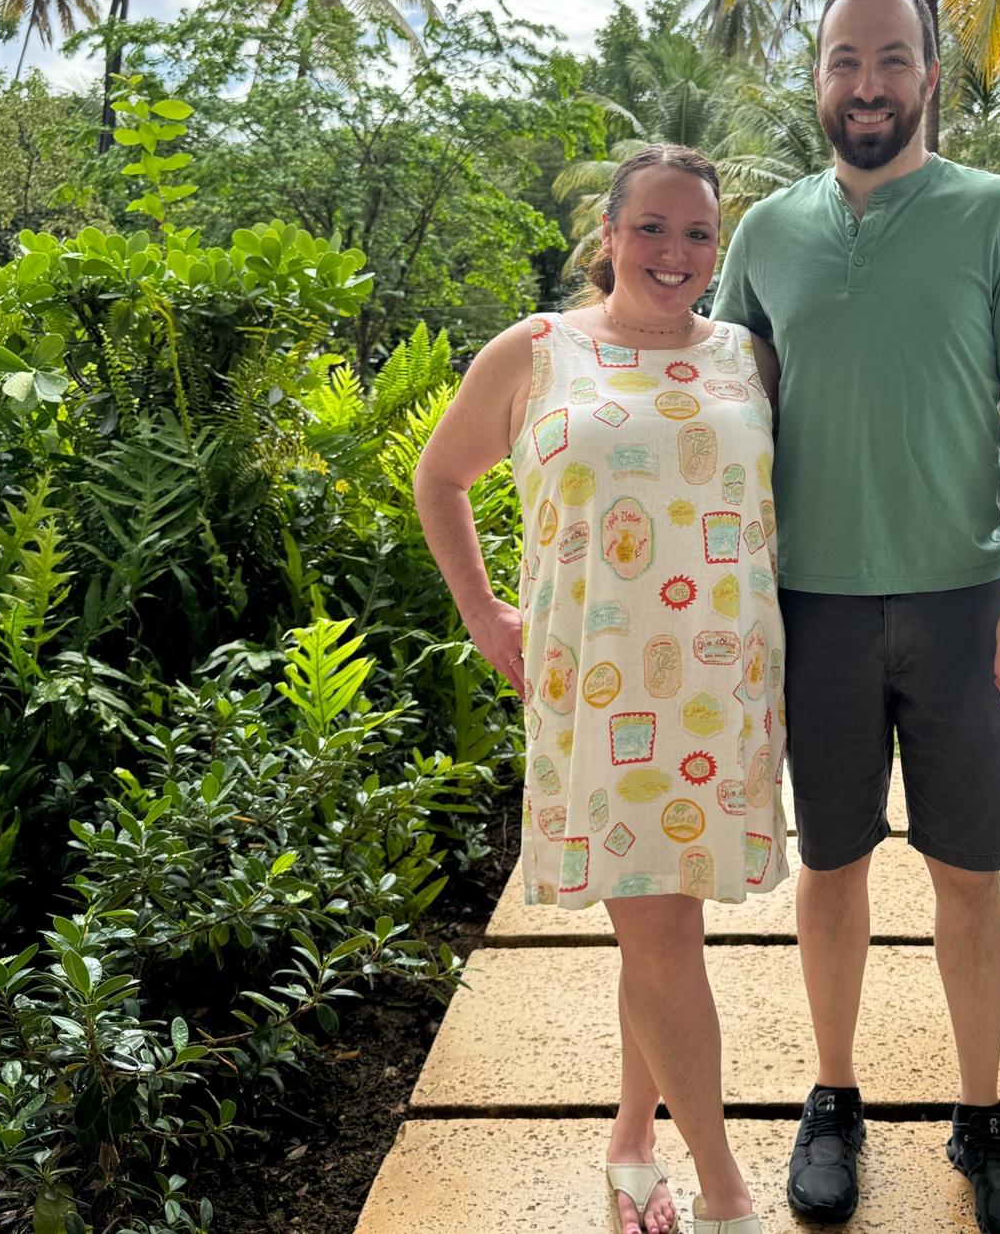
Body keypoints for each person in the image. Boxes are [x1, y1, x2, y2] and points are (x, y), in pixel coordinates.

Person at [711, 0, 1000, 1234]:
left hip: (964, 600)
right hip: (810, 605)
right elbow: (728, 412)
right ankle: (833, 1098)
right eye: (843, 60)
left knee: (970, 872)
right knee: (830, 863)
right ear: (818, 77)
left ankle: (981, 1115)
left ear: (929, 74)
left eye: (889, 59)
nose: (865, 85)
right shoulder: (766, 233)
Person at [414, 144, 786, 1234]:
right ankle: (725, 1194)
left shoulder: (749, 359)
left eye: (699, 233)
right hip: (602, 690)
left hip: (723, 683)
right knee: (662, 936)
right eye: (652, 227)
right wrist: (484, 611)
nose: (675, 252)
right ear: (610, 236)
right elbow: (441, 476)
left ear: (717, 247)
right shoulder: (539, 351)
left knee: (663, 930)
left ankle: (631, 1143)